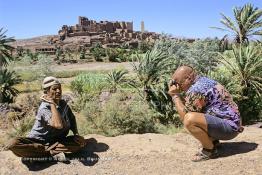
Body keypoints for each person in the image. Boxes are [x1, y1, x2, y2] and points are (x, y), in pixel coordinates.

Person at [168, 66, 243, 162]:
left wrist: (175, 96)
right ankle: (214, 143)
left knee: (189, 119)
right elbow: (190, 107)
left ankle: (209, 150)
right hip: (233, 124)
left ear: (188, 78)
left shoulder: (196, 89)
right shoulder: (204, 81)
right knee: (194, 115)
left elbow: (185, 116)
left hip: (229, 129)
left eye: (179, 83)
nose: (178, 87)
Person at [6, 76, 86, 161]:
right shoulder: (44, 108)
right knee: (13, 144)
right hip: (38, 142)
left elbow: (72, 119)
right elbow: (58, 125)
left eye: (59, 88)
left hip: (56, 141)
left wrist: (76, 134)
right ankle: (50, 152)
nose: (58, 91)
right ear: (46, 92)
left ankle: (43, 154)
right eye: (54, 89)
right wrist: (52, 103)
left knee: (80, 143)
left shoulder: (63, 104)